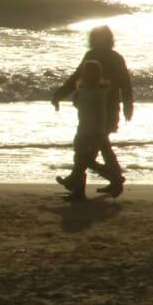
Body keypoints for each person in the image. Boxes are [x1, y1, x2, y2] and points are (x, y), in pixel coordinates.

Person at [51, 24, 132, 195]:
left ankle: (82, 182)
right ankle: (107, 180)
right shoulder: (96, 56)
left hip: (106, 111)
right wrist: (59, 95)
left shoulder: (114, 58)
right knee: (101, 146)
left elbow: (125, 84)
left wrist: (128, 105)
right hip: (96, 110)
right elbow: (77, 78)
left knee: (91, 149)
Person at [55, 59, 109, 200]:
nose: (88, 75)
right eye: (86, 72)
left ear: (97, 75)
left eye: (92, 73)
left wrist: (98, 133)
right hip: (83, 128)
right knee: (81, 159)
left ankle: (113, 177)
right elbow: (79, 106)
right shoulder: (83, 88)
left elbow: (100, 114)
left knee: (85, 160)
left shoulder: (99, 91)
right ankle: (77, 187)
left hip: (93, 130)